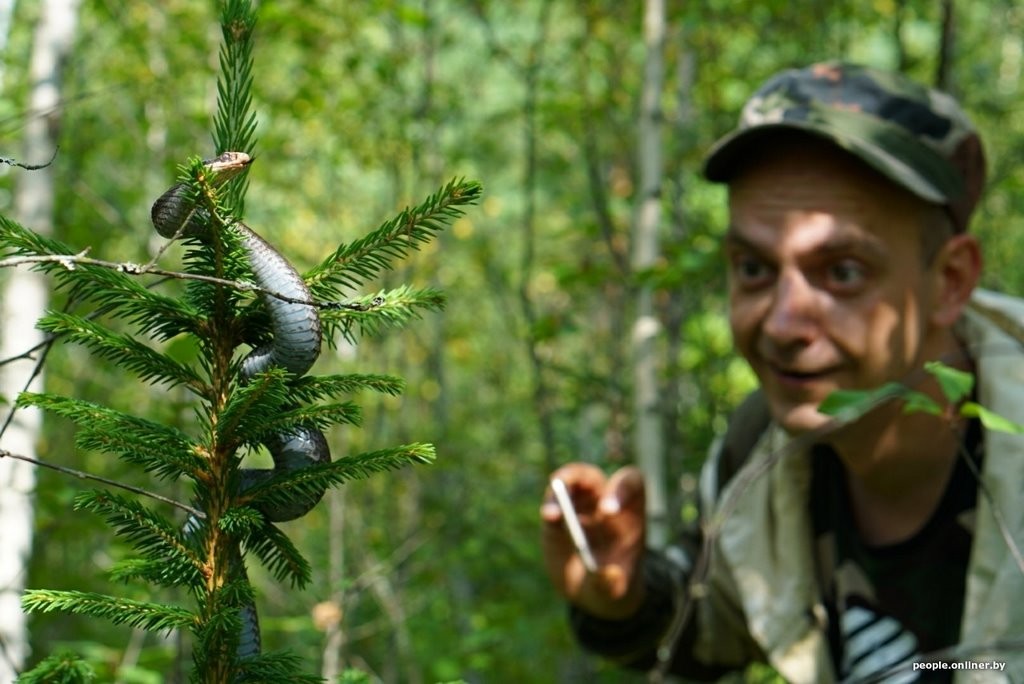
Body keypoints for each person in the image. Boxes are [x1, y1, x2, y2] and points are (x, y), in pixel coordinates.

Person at [541, 62, 1024, 683]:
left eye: (842, 272)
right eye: (753, 268)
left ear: (949, 282)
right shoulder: (761, 448)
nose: (782, 324)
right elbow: (713, 621)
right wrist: (623, 594)